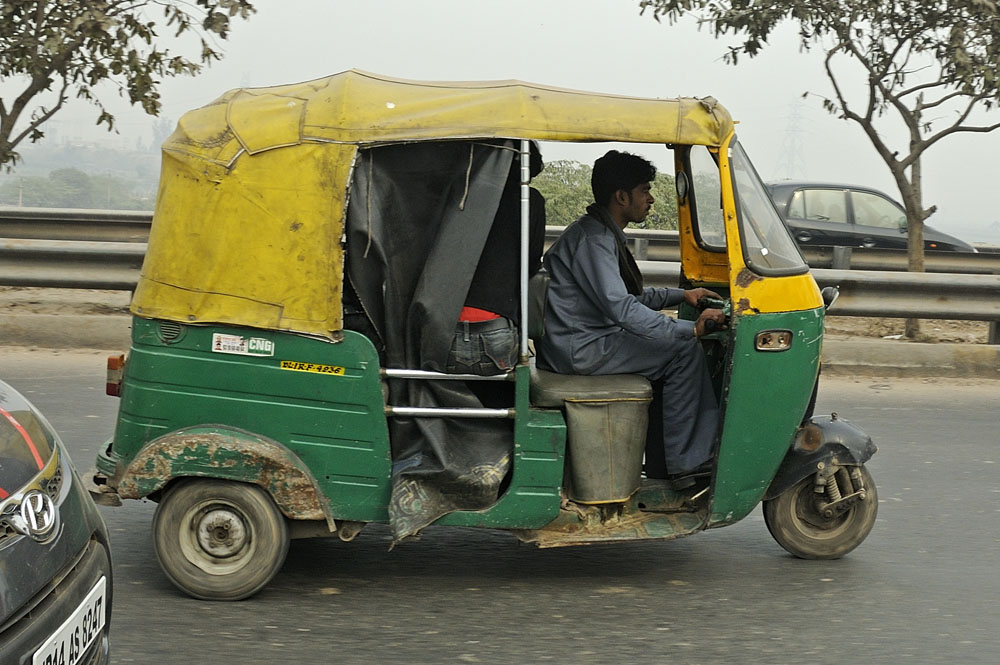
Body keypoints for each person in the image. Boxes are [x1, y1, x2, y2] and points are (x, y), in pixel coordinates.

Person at [536, 150, 726, 489]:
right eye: (644, 190)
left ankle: (667, 458)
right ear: (622, 197)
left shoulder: (599, 234)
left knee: (674, 342)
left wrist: (682, 296)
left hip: (582, 340)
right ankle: (689, 464)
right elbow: (622, 308)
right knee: (682, 351)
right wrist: (690, 329)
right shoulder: (594, 240)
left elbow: (627, 299)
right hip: (581, 349)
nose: (651, 199)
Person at [445, 142, 546, 377]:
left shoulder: (458, 195)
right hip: (496, 332)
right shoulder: (529, 201)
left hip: (445, 331)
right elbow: (531, 263)